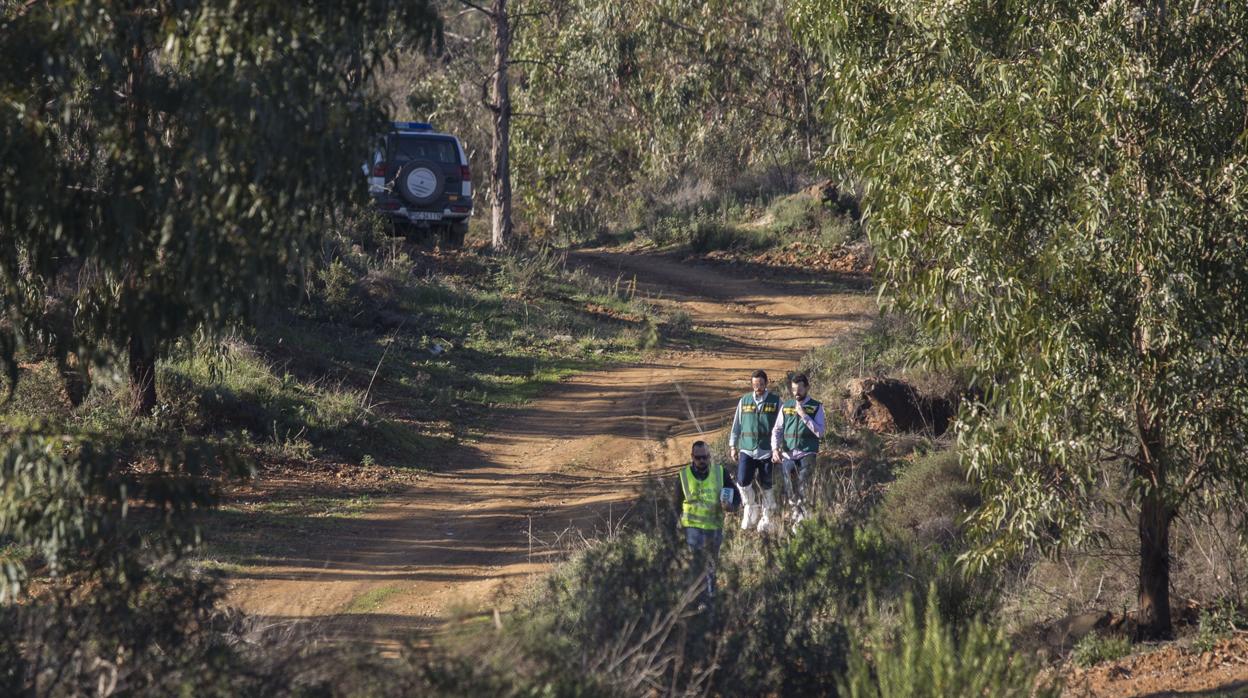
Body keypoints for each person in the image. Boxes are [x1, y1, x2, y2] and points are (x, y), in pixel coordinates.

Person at [677, 440, 738, 602]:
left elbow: (735, 495)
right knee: (697, 565)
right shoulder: (683, 476)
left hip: (714, 528)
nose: (702, 461)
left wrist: (730, 506)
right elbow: (675, 504)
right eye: (698, 458)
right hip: (692, 529)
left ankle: (709, 600)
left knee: (710, 565)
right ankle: (699, 600)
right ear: (692, 457)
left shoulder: (720, 473)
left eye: (705, 457)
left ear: (709, 456)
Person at [729, 369, 781, 532]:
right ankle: (751, 510)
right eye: (754, 384)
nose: (757, 387)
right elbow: (736, 424)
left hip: (767, 450)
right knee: (743, 481)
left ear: (766, 384)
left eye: (760, 384)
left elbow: (781, 426)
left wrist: (778, 448)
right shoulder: (744, 401)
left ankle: (767, 519)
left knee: (767, 485)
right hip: (747, 449)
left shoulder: (775, 401)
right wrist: (733, 446)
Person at [771, 373, 825, 526]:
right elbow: (777, 429)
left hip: (807, 452)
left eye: (800, 389)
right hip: (788, 453)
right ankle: (796, 512)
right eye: (794, 389)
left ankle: (803, 517)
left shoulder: (816, 406)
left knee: (803, 483)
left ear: (807, 388)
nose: (796, 393)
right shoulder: (786, 406)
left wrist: (804, 415)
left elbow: (820, 432)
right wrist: (775, 449)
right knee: (789, 484)